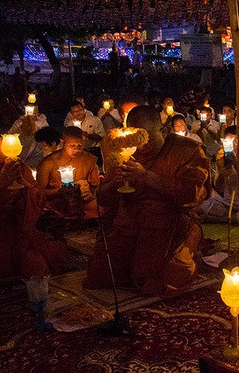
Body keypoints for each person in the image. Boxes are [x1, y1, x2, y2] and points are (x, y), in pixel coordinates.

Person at [85, 106, 211, 296]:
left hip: (168, 225)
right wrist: (115, 183)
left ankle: (191, 254)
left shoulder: (186, 149)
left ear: (163, 130)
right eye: (135, 139)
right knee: (99, 275)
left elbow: (193, 195)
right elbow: (103, 199)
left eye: (146, 139)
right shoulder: (124, 149)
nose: (141, 146)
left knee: (156, 284)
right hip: (128, 223)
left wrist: (147, 177)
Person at [0, 137, 67, 286]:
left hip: (15, 231)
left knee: (38, 265)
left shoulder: (17, 168)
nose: (5, 168)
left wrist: (24, 184)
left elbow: (38, 200)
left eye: (7, 163)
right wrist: (0, 184)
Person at [36, 126, 100, 222]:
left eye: (80, 146)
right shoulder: (48, 162)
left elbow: (97, 187)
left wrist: (87, 190)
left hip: (81, 202)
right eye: (72, 146)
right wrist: (59, 191)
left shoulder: (89, 159)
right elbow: (39, 192)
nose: (76, 150)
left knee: (102, 206)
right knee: (42, 210)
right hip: (57, 201)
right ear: (62, 142)